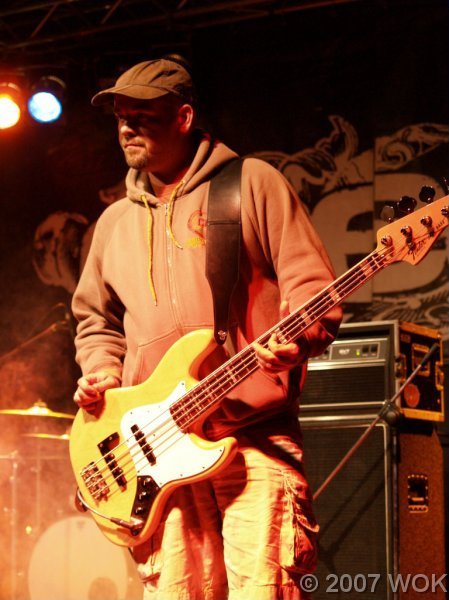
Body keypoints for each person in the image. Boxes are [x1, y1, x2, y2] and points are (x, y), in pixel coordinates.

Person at [72, 55, 342, 600]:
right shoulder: (113, 223)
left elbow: (313, 289)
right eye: (121, 117)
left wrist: (295, 343)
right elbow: (95, 321)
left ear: (184, 117)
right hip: (157, 451)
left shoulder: (251, 184)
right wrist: (102, 372)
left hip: (254, 436)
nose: (126, 128)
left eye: (142, 116)